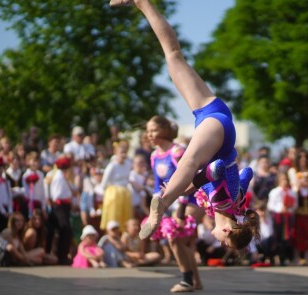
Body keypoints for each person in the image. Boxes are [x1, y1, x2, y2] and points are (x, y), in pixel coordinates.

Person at [111, 0, 258, 249]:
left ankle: (142, 3)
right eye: (225, 242)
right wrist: (184, 188)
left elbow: (247, 173)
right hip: (217, 132)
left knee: (173, 56)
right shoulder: (223, 204)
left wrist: (192, 186)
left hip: (217, 115)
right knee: (189, 163)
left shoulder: (236, 203)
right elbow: (217, 168)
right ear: (227, 229)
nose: (219, 242)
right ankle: (162, 204)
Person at [45, 156, 75, 264]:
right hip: (60, 205)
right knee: (65, 229)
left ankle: (61, 254)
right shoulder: (59, 177)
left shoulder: (61, 176)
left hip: (64, 205)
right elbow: (57, 195)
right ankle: (61, 255)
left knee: (64, 229)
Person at [99, 141, 132, 232]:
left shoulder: (128, 164)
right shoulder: (112, 166)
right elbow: (104, 183)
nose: (123, 155)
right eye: (121, 152)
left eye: (125, 152)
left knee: (124, 217)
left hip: (124, 194)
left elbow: (127, 179)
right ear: (116, 153)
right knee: (113, 217)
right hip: (114, 194)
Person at [22, 152, 47, 219]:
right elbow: (26, 192)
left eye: (37, 161)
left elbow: (42, 191)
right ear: (28, 162)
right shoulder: (26, 175)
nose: (35, 163)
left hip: (38, 203)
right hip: (30, 204)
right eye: (33, 161)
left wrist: (43, 207)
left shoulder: (40, 174)